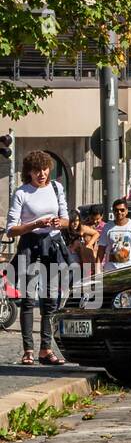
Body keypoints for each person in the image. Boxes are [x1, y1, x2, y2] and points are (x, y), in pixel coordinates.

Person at [5, 150, 71, 365]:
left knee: (51, 299)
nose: (41, 174)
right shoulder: (22, 193)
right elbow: (11, 230)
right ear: (29, 173)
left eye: (44, 169)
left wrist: (58, 223)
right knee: (28, 299)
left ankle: (46, 349)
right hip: (30, 245)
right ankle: (28, 350)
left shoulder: (56, 188)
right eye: (36, 171)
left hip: (51, 245)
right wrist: (35, 224)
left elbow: (67, 220)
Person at [99, 200, 131, 272]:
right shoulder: (107, 227)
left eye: (122, 210)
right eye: (116, 210)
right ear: (113, 211)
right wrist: (97, 268)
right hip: (110, 271)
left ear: (126, 211)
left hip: (128, 270)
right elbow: (101, 249)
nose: (119, 212)